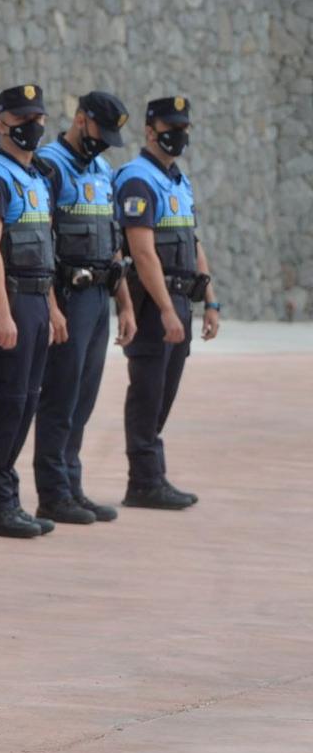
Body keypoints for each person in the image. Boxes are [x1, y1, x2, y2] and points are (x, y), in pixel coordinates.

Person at [0, 83, 63, 539]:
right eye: (22, 120)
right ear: (1, 123)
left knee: (27, 403)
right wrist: (2, 313)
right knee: (5, 404)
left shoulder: (36, 177)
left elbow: (43, 251)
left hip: (35, 298)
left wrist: (52, 307)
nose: (32, 127)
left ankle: (9, 498)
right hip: (9, 302)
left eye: (37, 119)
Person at [32, 92, 134, 523]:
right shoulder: (49, 165)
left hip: (98, 298)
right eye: (99, 132)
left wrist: (125, 304)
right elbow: (41, 243)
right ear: (79, 120)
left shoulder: (102, 169)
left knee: (84, 397)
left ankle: (72, 483)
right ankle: (53, 492)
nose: (103, 143)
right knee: (61, 395)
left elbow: (113, 244)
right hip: (68, 295)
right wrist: (51, 305)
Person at [117, 95, 216, 509]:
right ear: (150, 130)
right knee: (148, 390)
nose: (178, 135)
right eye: (170, 128)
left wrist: (211, 301)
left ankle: (152, 474)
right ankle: (142, 480)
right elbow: (141, 254)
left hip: (180, 299)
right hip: (154, 304)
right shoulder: (137, 179)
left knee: (165, 391)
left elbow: (192, 241)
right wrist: (164, 308)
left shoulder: (177, 179)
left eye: (184, 128)